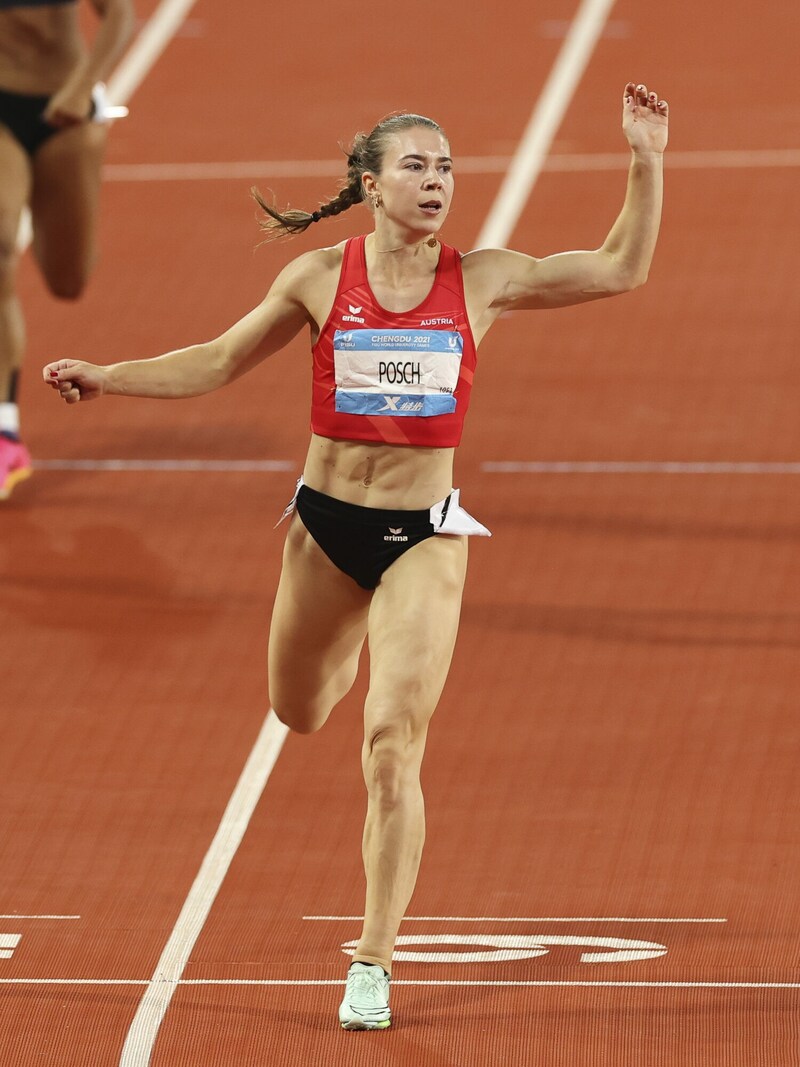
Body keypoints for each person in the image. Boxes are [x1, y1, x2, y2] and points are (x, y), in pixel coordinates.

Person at [43, 81, 669, 1030]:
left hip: (424, 539)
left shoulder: (486, 277)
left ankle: (373, 958)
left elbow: (621, 268)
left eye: (447, 166)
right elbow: (216, 360)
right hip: (324, 530)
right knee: (298, 710)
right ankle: (333, 658)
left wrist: (645, 157)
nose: (437, 181)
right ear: (371, 186)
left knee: (390, 747)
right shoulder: (316, 278)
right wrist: (108, 376)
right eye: (415, 165)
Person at [0, 0, 134, 499]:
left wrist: (82, 88)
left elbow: (118, 15)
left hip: (65, 109)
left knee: (67, 279)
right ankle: (4, 430)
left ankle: (50, 212)